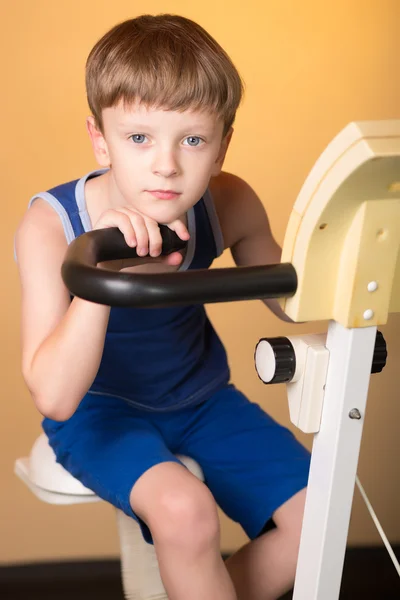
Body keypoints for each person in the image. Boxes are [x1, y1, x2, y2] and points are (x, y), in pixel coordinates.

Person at [15, 14, 310, 600]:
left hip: (201, 399)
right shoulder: (50, 226)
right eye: (139, 138)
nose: (167, 165)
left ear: (223, 145)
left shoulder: (229, 202)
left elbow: (292, 299)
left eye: (193, 140)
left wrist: (348, 256)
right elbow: (54, 395)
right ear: (101, 138)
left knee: (320, 513)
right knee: (186, 513)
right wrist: (98, 267)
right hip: (98, 413)